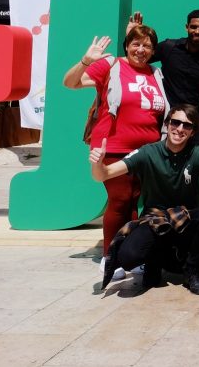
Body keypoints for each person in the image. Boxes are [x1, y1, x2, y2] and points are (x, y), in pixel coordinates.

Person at [91, 104, 199, 295]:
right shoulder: (148, 152)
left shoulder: (197, 152)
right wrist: (98, 164)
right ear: (167, 124)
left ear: (192, 132)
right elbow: (104, 174)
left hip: (184, 219)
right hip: (155, 220)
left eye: (187, 125)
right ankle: (155, 260)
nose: (180, 129)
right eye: (175, 122)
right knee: (128, 257)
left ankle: (191, 270)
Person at [63, 24, 169, 279]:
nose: (141, 50)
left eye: (147, 46)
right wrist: (86, 61)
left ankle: (129, 255)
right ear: (127, 46)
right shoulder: (112, 66)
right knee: (120, 199)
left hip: (146, 151)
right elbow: (70, 83)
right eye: (136, 44)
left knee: (133, 201)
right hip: (113, 147)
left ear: (153, 50)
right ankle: (110, 256)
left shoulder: (156, 74)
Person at [128, 10, 199, 133]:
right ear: (187, 27)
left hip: (193, 125)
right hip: (165, 121)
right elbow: (138, 60)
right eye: (193, 27)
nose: (197, 31)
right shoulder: (169, 47)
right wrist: (133, 36)